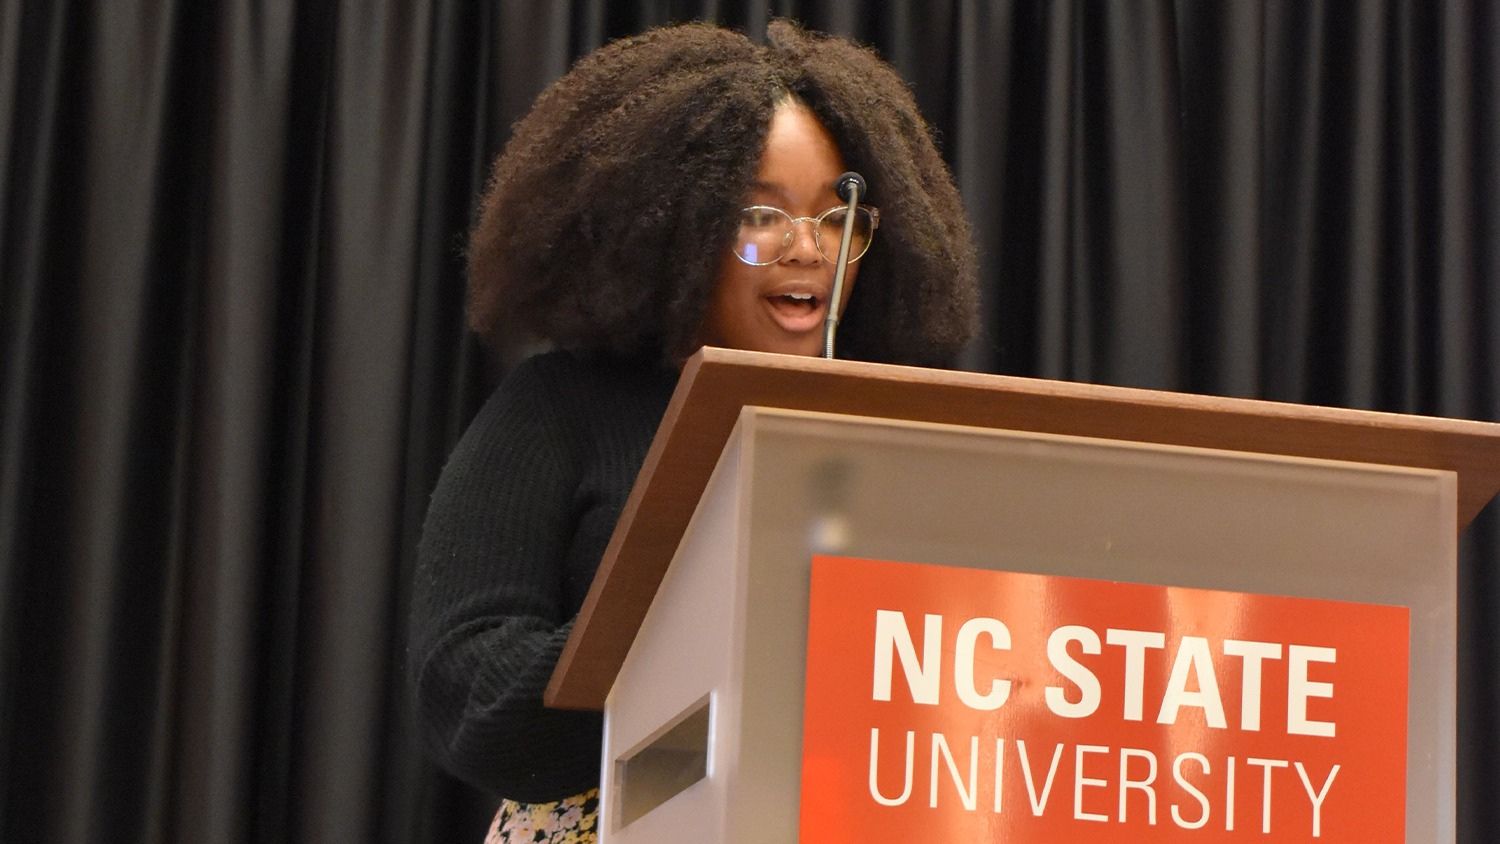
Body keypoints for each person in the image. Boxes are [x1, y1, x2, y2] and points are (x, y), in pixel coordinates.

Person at [409, 19, 979, 842]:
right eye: (763, 216)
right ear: (672, 227)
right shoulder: (562, 407)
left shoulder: (900, 435)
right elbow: (467, 696)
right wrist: (698, 611)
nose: (808, 251)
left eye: (835, 219)